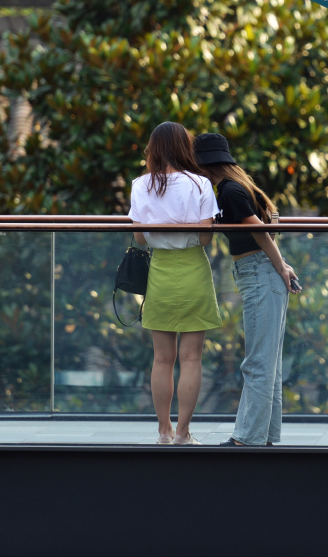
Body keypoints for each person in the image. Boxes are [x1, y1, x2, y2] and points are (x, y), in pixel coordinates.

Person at [193, 132, 300, 447]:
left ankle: (247, 438)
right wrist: (280, 266)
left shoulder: (230, 191)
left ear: (205, 165)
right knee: (267, 362)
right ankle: (264, 435)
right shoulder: (235, 188)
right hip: (258, 272)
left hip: (260, 272)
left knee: (258, 362)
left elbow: (259, 230)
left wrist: (281, 267)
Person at [128, 122, 220, 445]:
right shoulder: (200, 184)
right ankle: (183, 433)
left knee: (162, 359)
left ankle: (163, 431)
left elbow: (139, 238)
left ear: (153, 149)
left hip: (160, 271)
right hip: (193, 267)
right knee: (191, 358)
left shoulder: (140, 185)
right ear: (185, 148)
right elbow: (206, 238)